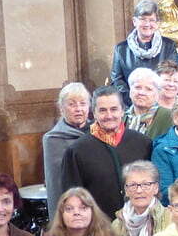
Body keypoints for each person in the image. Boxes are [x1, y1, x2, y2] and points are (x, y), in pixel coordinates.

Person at [60, 86, 152, 219]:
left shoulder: (143, 143)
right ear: (94, 113)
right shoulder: (76, 151)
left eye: (114, 109)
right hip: (98, 227)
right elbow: (72, 199)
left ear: (122, 111)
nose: (109, 116)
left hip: (141, 222)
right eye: (102, 110)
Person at [111, 0, 178, 106]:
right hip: (131, 105)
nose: (147, 24)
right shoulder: (121, 49)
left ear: (157, 23)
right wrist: (135, 99)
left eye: (152, 20)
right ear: (134, 21)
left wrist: (156, 101)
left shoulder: (169, 46)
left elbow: (172, 76)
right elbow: (117, 81)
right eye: (143, 19)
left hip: (161, 105)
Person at [111, 160, 169, 236]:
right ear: (126, 190)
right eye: (133, 185)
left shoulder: (171, 219)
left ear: (156, 188)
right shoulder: (117, 225)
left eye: (146, 184)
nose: (139, 190)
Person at [43, 82, 90, 216]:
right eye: (72, 104)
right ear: (61, 108)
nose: (78, 109)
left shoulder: (99, 132)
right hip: (70, 204)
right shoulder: (52, 139)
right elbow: (55, 182)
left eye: (83, 103)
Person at [125, 67, 173, 140]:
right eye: (137, 87)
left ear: (157, 94)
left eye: (148, 89)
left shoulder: (169, 117)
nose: (141, 92)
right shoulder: (121, 116)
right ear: (130, 90)